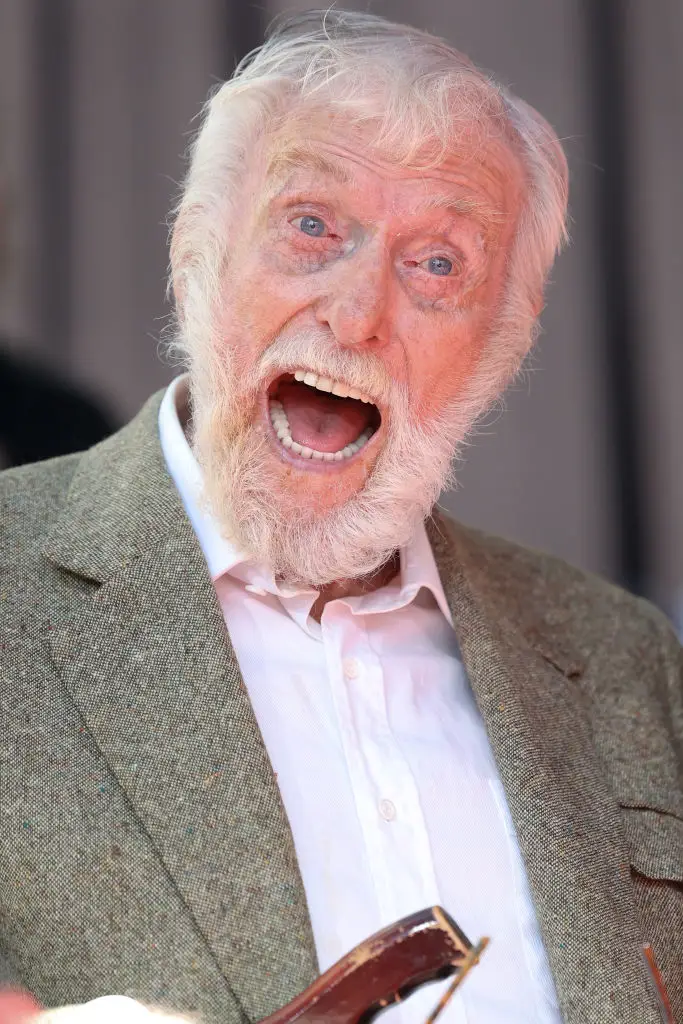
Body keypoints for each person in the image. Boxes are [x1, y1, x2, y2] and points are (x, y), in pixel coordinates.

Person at [0, 11, 680, 1024]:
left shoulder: (620, 656)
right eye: (312, 225)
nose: (357, 312)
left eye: (438, 264)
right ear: (197, 248)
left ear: (502, 342)